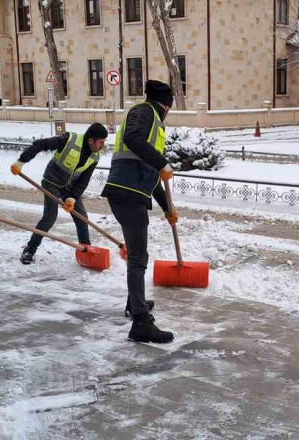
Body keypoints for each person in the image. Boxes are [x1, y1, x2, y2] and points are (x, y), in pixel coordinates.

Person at [102, 80, 177, 344]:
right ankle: (140, 322)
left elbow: (152, 174)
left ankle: (136, 303)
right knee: (138, 257)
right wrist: (161, 161)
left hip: (131, 192)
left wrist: (168, 209)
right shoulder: (145, 112)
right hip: (126, 192)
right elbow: (132, 139)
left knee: (137, 255)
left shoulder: (153, 120)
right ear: (165, 105)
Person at [10, 123, 108, 264]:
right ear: (91, 140)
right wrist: (21, 161)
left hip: (70, 188)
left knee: (82, 219)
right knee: (50, 217)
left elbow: (84, 180)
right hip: (52, 183)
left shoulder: (95, 156)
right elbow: (40, 144)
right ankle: (29, 250)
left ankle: (86, 253)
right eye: (101, 142)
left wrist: (73, 197)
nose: (102, 146)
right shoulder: (69, 140)